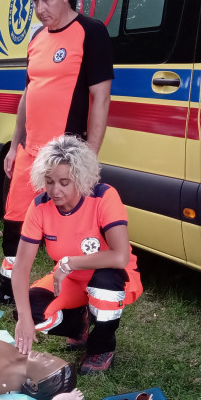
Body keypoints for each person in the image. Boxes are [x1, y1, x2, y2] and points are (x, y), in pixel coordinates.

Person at [0, 0, 114, 308]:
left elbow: (100, 97)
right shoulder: (37, 37)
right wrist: (15, 144)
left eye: (47, 0)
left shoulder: (91, 31)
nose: (40, 9)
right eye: (34, 1)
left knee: (70, 227)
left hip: (65, 155)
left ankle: (73, 295)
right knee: (14, 222)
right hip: (29, 152)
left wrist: (90, 155)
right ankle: (8, 287)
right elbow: (29, 92)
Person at [12, 134, 143, 373]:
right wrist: (23, 318)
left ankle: (101, 347)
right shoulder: (40, 206)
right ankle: (78, 325)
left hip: (111, 276)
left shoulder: (104, 196)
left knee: (105, 287)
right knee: (30, 312)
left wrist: (68, 264)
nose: (55, 190)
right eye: (49, 181)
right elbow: (21, 266)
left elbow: (119, 257)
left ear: (81, 179)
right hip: (70, 280)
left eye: (64, 182)